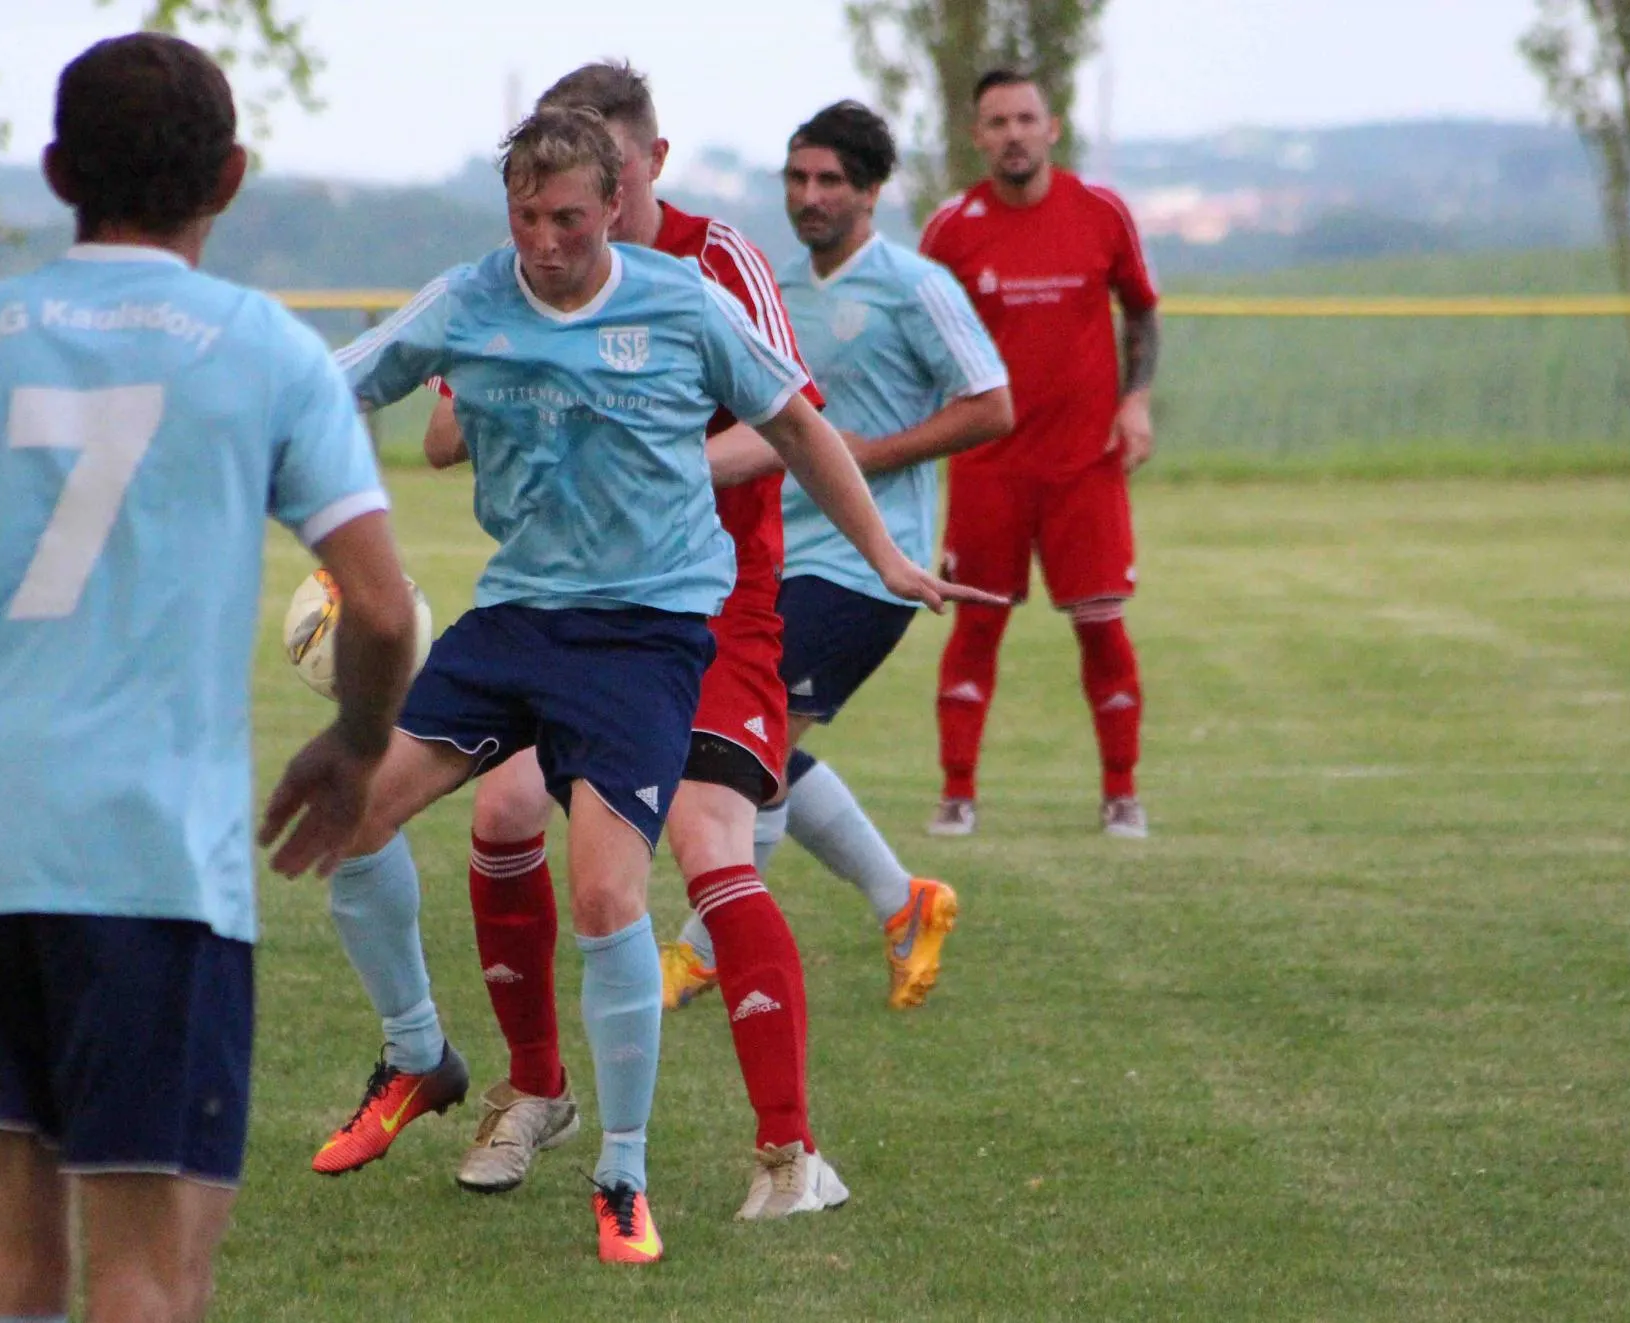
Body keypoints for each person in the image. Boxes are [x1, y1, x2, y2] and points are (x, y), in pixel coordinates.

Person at [0, 33, 418, 1323]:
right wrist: (355, 744)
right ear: (228, 177)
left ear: (58, 171)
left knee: (14, 1266)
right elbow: (384, 610)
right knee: (148, 1278)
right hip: (145, 860)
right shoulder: (266, 349)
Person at [291, 104, 973, 1264]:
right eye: (525, 216)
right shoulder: (469, 299)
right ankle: (418, 1054)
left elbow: (799, 429)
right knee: (345, 821)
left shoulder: (683, 301)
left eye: (567, 218)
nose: (544, 241)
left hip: (645, 639)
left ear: (617, 204)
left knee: (608, 899)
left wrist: (886, 558)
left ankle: (621, 1173)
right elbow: (326, 386)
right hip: (515, 620)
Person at [422, 61, 849, 1222]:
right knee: (501, 811)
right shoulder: (533, 276)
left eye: (606, 174)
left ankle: (790, 1155)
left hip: (710, 609)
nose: (582, 208)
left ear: (644, 167)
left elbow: (789, 424)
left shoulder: (716, 265)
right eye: (562, 188)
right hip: (570, 613)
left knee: (707, 839)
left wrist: (648, 463)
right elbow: (442, 436)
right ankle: (535, 1090)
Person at [665, 100, 1013, 1013]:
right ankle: (904, 901)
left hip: (866, 566)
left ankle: (699, 951)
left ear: (871, 191)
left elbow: (992, 404)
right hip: (776, 559)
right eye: (797, 177)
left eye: (830, 180)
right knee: (756, 747)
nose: (809, 196)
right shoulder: (770, 286)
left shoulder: (915, 285)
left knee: (746, 752)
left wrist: (873, 452)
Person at [919, 68, 1163, 841]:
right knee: (976, 626)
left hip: (1084, 464)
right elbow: (919, 335)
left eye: (1026, 119)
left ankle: (1121, 792)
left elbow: (1141, 311)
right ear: (977, 137)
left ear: (1052, 128)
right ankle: (957, 793)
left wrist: (1135, 400)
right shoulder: (951, 228)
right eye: (997, 122)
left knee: (1101, 625)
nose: (1014, 134)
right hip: (987, 466)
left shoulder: (1101, 212)